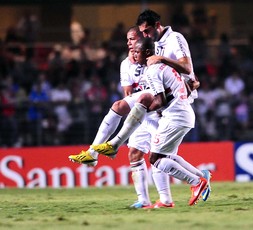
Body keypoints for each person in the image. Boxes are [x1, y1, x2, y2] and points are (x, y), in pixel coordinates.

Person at [69, 9, 211, 207]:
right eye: (137, 37)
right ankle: (162, 194)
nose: (143, 37)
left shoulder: (173, 39)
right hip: (167, 99)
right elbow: (134, 87)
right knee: (151, 152)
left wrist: (162, 62)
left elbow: (186, 69)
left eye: (143, 33)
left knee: (157, 153)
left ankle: (109, 148)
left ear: (156, 26)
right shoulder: (136, 58)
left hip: (175, 99)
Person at [69, 26, 155, 208]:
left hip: (157, 110)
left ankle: (198, 178)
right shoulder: (126, 64)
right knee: (134, 154)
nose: (129, 43)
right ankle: (144, 201)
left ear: (142, 39)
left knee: (162, 158)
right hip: (142, 113)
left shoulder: (155, 59)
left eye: (132, 39)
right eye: (127, 40)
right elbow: (128, 93)